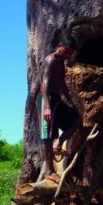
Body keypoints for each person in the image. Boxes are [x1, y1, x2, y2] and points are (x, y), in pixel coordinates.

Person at [40, 34, 82, 184]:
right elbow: (44, 84)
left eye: (70, 53)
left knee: (76, 119)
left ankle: (58, 143)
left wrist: (70, 101)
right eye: (66, 51)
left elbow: (62, 85)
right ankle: (50, 171)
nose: (68, 55)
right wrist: (46, 106)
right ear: (59, 46)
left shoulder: (60, 63)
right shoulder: (50, 60)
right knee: (47, 136)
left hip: (56, 100)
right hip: (47, 99)